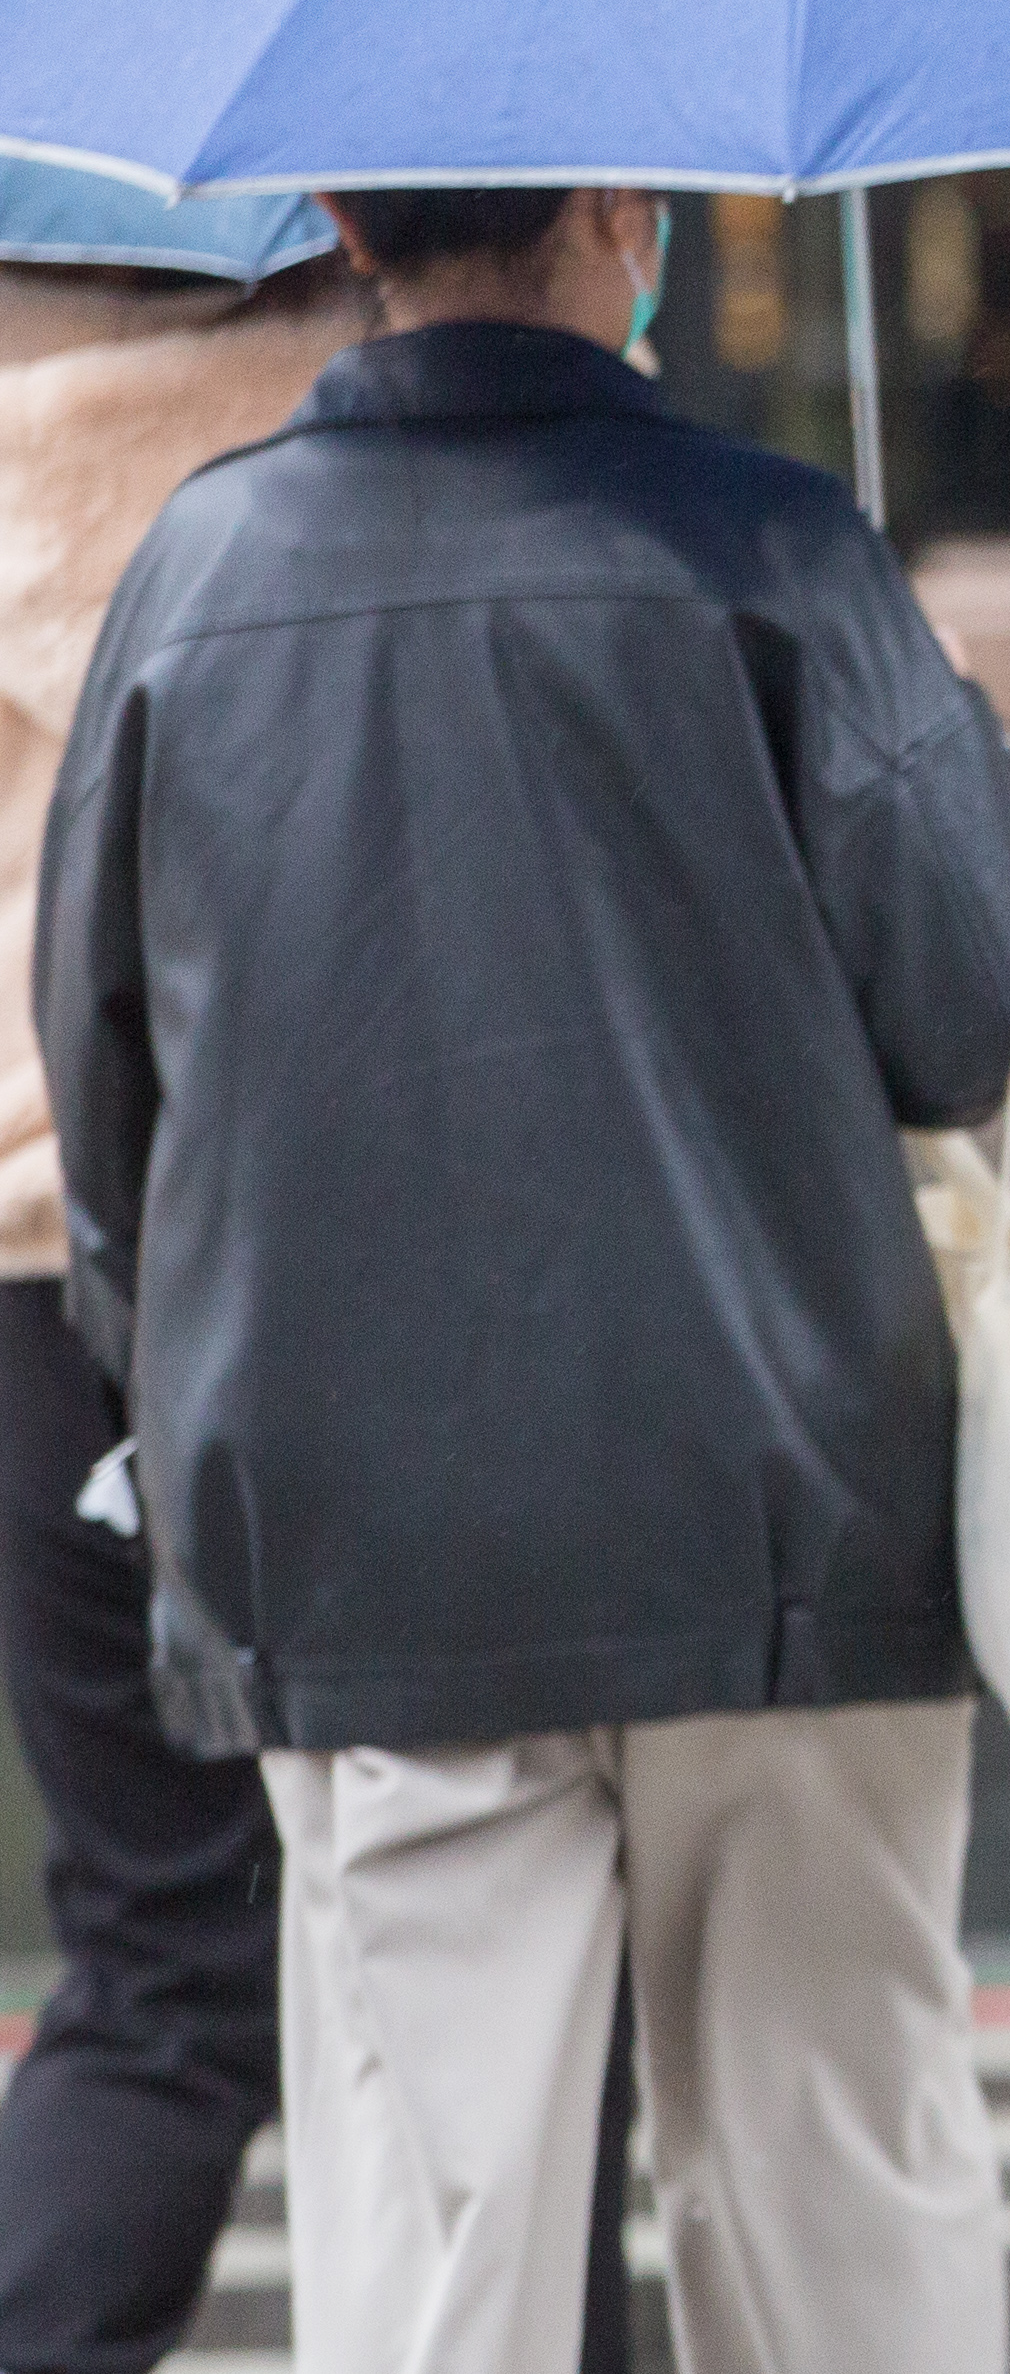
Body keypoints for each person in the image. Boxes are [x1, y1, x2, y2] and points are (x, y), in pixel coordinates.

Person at [36, 186, 1010, 2374]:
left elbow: (107, 1075)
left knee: (442, 2236)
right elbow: (969, 1000)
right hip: (794, 1507)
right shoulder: (776, 544)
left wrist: (185, 1384)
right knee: (835, 2184)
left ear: (338, 221)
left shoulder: (197, 580)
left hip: (368, 1548)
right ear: (623, 214)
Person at [0, 247, 357, 2374]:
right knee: (507, 1936)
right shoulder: (387, 434)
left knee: (159, 1957)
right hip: (352, 1253)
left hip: (34, 1264)